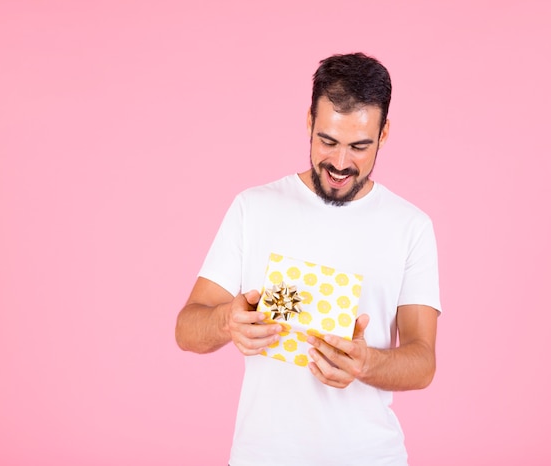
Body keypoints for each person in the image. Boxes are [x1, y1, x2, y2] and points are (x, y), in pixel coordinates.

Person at [175, 52, 441, 466]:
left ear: (384, 134)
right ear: (309, 122)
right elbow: (187, 328)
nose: (339, 163)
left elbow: (423, 361)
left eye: (359, 146)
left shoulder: (411, 226)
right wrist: (227, 320)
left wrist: (367, 363)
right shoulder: (254, 208)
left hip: (370, 456)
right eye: (328, 141)